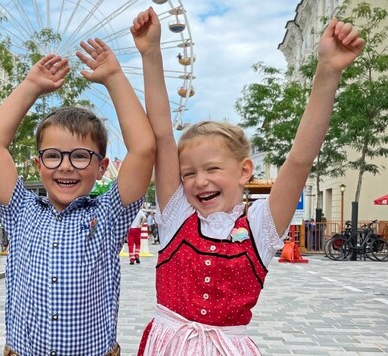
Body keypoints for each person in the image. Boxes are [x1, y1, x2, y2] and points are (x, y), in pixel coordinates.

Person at [131, 8, 364, 355]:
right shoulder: (178, 212)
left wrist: (327, 71)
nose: (198, 181)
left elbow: (299, 159)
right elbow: (163, 135)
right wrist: (151, 53)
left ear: (243, 171)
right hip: (168, 342)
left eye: (211, 169)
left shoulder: (260, 225)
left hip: (228, 346)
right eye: (189, 173)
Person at [0, 38, 155, 355]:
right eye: (53, 156)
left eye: (80, 156)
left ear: (101, 167)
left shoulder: (110, 214)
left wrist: (114, 77)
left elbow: (143, 149)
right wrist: (31, 85)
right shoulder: (21, 211)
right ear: (38, 163)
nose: (66, 166)